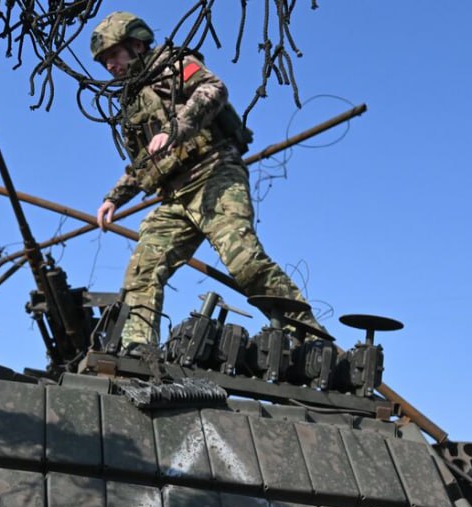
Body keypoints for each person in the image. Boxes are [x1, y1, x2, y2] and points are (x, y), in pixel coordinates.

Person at [90, 11, 327, 349]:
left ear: (137, 44)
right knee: (142, 270)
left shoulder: (170, 65)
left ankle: (307, 335)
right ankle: (137, 348)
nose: (110, 66)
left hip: (214, 173)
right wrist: (114, 197)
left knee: (244, 261)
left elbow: (213, 89)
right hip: (175, 197)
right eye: (104, 62)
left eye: (113, 54)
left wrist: (176, 128)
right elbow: (144, 162)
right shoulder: (132, 101)